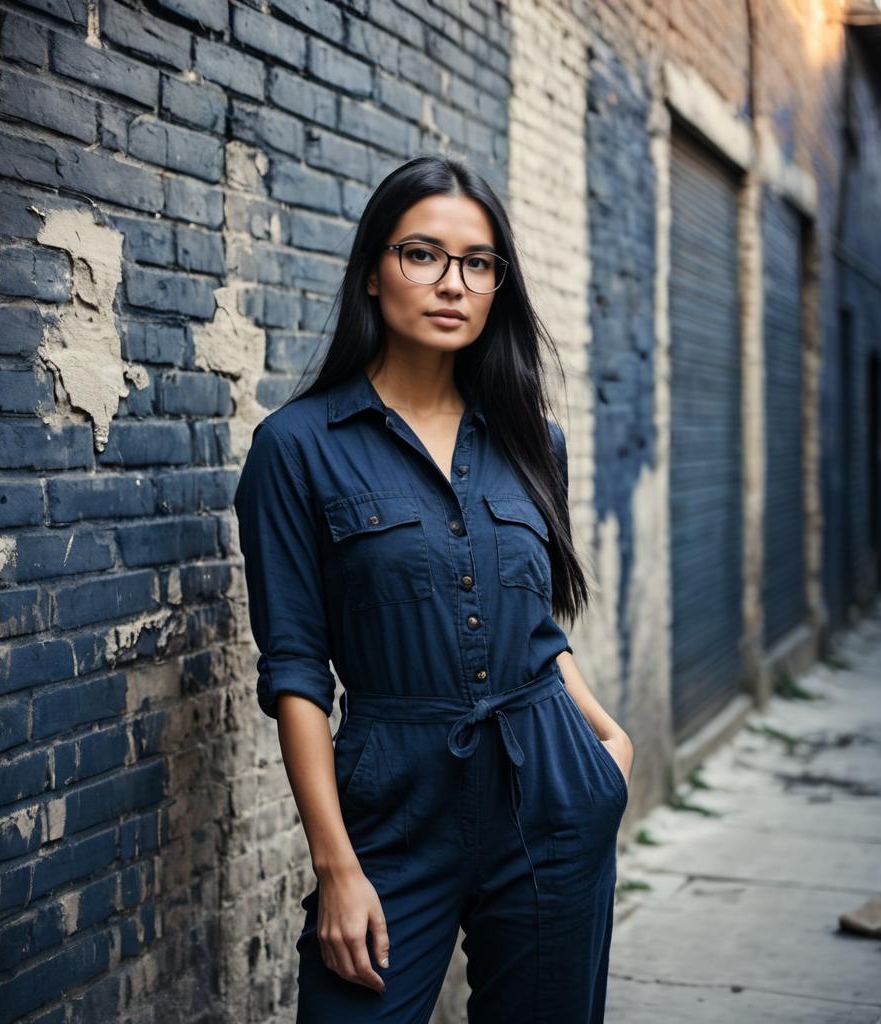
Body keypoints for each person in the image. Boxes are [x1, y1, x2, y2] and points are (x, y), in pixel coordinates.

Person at [234, 153, 635, 1023]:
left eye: (479, 262)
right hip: (393, 810)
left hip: (552, 796)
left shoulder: (534, 440)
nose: (453, 282)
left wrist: (604, 738)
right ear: (374, 274)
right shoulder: (296, 449)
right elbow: (297, 672)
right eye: (423, 254)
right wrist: (336, 869)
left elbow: (532, 624)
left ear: (499, 285)